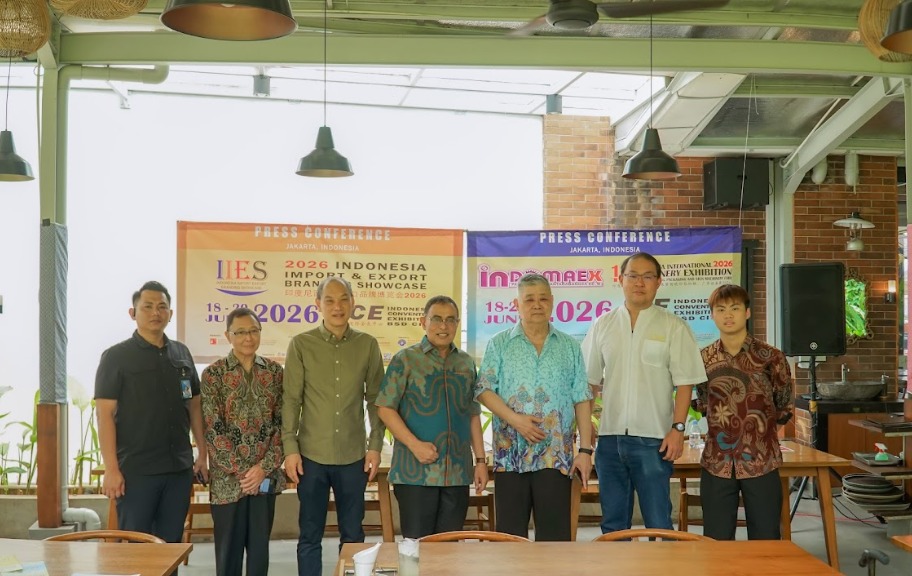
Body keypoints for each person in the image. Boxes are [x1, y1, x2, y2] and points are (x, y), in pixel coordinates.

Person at [582, 252, 706, 533]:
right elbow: (589, 382)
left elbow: (685, 383)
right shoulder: (603, 324)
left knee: (658, 523)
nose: (640, 282)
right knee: (613, 525)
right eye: (633, 276)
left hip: (654, 441)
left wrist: (678, 429)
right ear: (620, 280)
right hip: (610, 440)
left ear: (659, 282)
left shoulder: (673, 326)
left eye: (648, 276)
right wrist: (586, 429)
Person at [474, 273, 592, 541]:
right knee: (510, 541)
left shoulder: (570, 347)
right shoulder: (500, 343)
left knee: (555, 541)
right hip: (510, 456)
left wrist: (585, 450)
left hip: (555, 457)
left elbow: (581, 398)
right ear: (517, 304)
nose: (537, 305)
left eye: (542, 299)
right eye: (529, 299)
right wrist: (515, 420)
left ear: (552, 302)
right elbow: (483, 390)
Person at [282, 277, 386, 576]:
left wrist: (375, 447)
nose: (337, 307)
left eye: (343, 299)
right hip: (311, 456)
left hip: (353, 457)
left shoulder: (367, 345)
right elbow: (291, 400)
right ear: (318, 304)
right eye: (329, 300)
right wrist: (290, 449)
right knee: (310, 534)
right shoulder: (301, 344)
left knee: (353, 535)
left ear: (353, 303)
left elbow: (375, 400)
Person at [94, 280, 208, 543]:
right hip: (137, 473)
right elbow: (104, 415)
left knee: (170, 545)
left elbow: (194, 406)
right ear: (133, 313)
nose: (156, 312)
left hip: (178, 470)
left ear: (170, 313)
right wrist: (111, 469)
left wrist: (202, 454)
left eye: (162, 307)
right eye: (147, 306)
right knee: (137, 547)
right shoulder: (116, 357)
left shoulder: (181, 353)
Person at [376, 295, 488, 538]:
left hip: (457, 474)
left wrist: (480, 461)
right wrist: (414, 445)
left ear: (457, 324)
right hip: (415, 474)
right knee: (417, 547)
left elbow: (472, 413)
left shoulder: (466, 363)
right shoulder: (405, 360)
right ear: (423, 322)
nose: (443, 326)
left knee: (449, 548)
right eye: (436, 319)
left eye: (450, 320)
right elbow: (385, 408)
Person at [694, 284, 793, 540]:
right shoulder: (703, 359)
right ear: (712, 315)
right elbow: (703, 403)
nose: (728, 315)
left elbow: (783, 405)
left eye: (735, 308)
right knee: (716, 541)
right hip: (717, 462)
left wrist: (758, 435)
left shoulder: (771, 357)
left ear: (747, 312)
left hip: (762, 461)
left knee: (765, 539)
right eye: (721, 309)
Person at [201, 307, 284, 576]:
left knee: (259, 554)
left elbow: (283, 426)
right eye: (240, 332)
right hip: (228, 483)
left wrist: (262, 469)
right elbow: (212, 429)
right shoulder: (213, 375)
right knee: (228, 556)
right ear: (228, 336)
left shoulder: (274, 372)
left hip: (264, 478)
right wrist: (244, 473)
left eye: (253, 331)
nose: (248, 337)